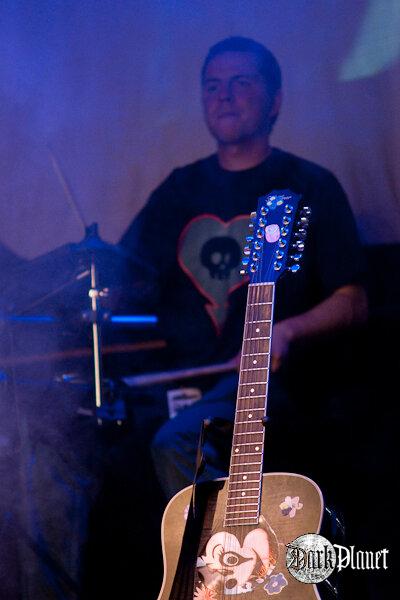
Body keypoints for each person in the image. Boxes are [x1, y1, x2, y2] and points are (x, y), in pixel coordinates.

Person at [120, 36, 367, 501]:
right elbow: (124, 276)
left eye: (241, 83)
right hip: (185, 384)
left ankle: (224, 550)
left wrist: (286, 331)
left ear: (275, 101)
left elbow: (353, 301)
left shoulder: (308, 184)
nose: (224, 96)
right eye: (212, 86)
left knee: (180, 442)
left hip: (271, 387)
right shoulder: (178, 189)